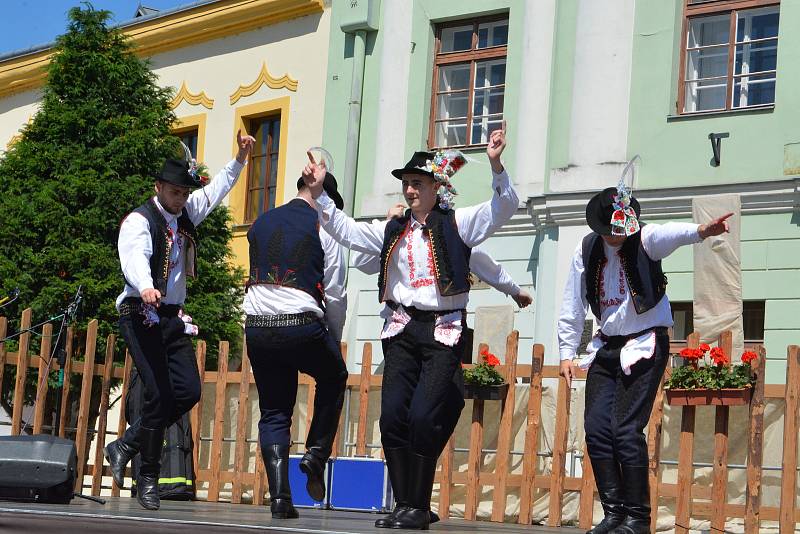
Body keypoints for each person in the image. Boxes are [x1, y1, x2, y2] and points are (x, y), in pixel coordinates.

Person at [302, 124, 518, 530]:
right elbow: (345, 231)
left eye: (417, 183)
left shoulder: (459, 223)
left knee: (422, 416)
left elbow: (503, 208)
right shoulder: (393, 229)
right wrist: (320, 194)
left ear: (437, 187)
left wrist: (496, 164)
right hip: (401, 329)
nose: (410, 190)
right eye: (407, 184)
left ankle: (417, 504)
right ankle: (406, 504)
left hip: (443, 331)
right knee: (392, 418)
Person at [557, 181, 732, 534]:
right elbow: (572, 302)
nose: (614, 237)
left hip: (645, 343)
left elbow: (669, 234)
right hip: (606, 346)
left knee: (624, 430)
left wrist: (701, 231)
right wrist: (566, 351)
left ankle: (637, 518)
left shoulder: (645, 240)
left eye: (618, 232)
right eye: (609, 232)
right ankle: (614, 513)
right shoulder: (588, 248)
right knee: (595, 430)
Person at [105, 130, 256, 510]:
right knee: (158, 394)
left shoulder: (185, 213)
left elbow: (217, 189)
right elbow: (134, 257)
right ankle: (149, 477)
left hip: (171, 317)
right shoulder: (139, 221)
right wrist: (144, 286)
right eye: (175, 192)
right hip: (140, 313)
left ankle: (126, 444)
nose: (181, 198)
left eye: (185, 193)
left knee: (187, 391)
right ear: (159, 187)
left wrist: (239, 159)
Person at [243, 171, 348, 519]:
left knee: (274, 411)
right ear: (323, 196)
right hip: (301, 324)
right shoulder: (325, 227)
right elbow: (335, 292)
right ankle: (316, 455)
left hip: (258, 326)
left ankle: (279, 500)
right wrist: (333, 337)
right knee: (334, 376)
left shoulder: (261, 222)